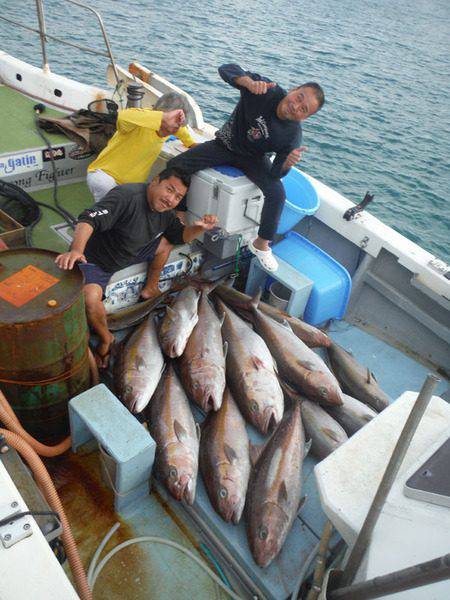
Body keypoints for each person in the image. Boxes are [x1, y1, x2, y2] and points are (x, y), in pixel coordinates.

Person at [167, 63, 325, 271]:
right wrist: (247, 83)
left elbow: (276, 173)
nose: (296, 106)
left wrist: (286, 164)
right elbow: (226, 69)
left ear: (305, 118)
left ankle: (262, 243)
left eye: (303, 109)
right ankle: (180, 213)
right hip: (225, 144)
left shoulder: (292, 136)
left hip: (253, 158)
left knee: (277, 193)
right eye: (299, 97)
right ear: (294, 90)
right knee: (176, 165)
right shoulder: (267, 90)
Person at [55, 167, 218, 368]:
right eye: (169, 189)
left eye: (178, 197)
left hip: (129, 252)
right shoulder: (126, 196)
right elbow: (89, 219)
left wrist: (199, 228)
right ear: (155, 181)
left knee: (165, 244)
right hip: (96, 261)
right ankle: (107, 338)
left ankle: (150, 288)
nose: (170, 199)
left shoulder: (165, 213)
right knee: (90, 299)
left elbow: (179, 236)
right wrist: (76, 250)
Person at [86, 92, 197, 202]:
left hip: (130, 187)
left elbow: (182, 132)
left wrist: (190, 143)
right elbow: (123, 117)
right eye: (167, 124)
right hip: (104, 176)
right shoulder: (141, 119)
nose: (171, 131)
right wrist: (163, 117)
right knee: (109, 204)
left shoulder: (174, 127)